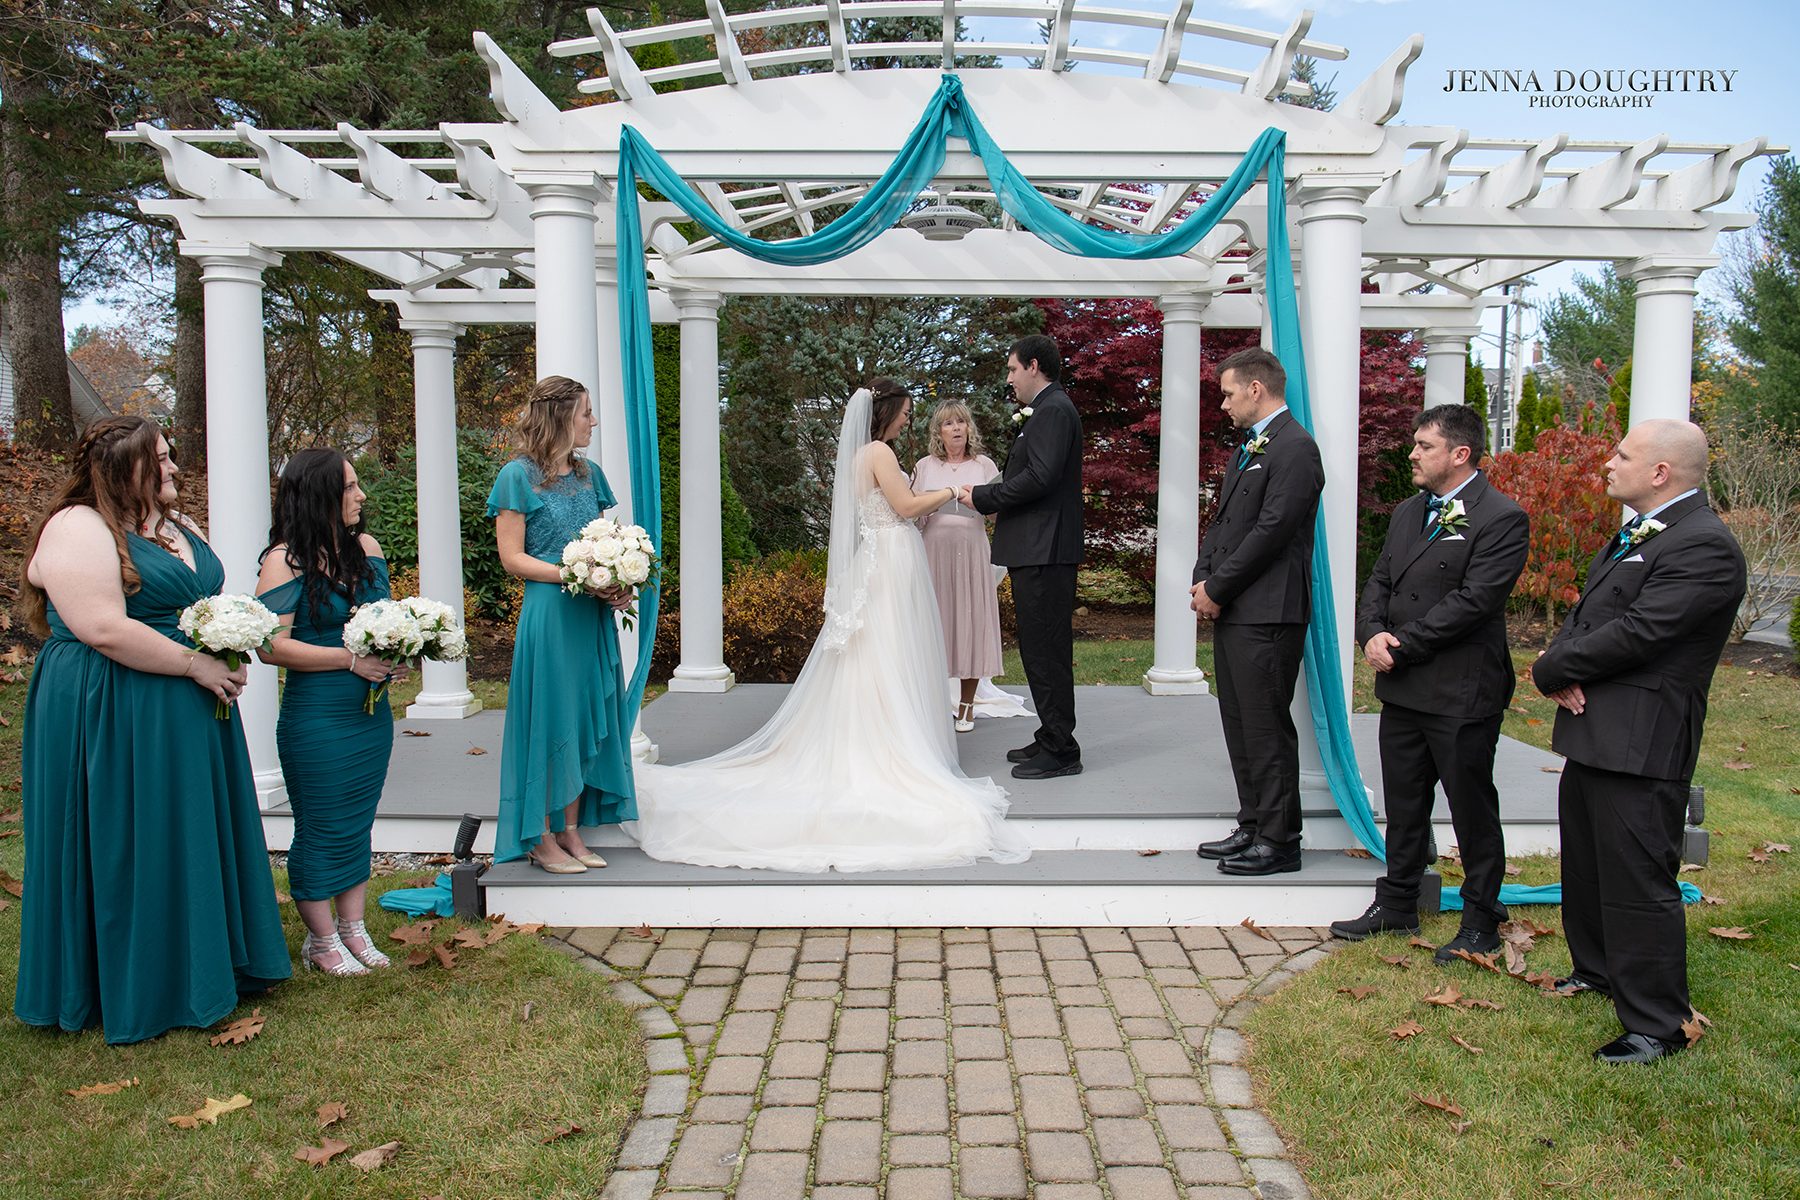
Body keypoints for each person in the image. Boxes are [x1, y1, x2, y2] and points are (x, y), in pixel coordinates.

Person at [628, 379, 1029, 873]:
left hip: (881, 561)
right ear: (885, 412)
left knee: (878, 655)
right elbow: (904, 508)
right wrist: (950, 490)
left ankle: (881, 735)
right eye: (904, 412)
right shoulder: (879, 452)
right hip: (889, 563)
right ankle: (887, 747)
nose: (908, 420)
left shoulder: (865, 453)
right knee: (886, 653)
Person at [14, 416, 290, 1043]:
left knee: (182, 827)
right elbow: (103, 628)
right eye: (158, 459)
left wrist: (229, 638)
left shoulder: (171, 524)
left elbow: (201, 600)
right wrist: (196, 662)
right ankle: (137, 983)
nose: (171, 468)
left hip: (183, 701)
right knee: (124, 832)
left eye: (170, 456)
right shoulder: (78, 527)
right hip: (108, 701)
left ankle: (205, 965)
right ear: (118, 468)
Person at [1531, 419, 1744, 1065]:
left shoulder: (1705, 545)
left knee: (1637, 879)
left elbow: (1643, 632)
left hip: (1643, 736)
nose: (1608, 463)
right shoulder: (1641, 534)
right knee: (1590, 863)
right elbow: (1591, 617)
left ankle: (1656, 1023)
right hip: (1597, 727)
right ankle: (1597, 970)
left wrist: (1553, 668)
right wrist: (1566, 658)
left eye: (1623, 455)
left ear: (1660, 473)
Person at [1332, 404, 1530, 958]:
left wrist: (1401, 644)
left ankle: (1481, 921)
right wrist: (1369, 631)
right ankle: (1397, 903)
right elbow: (1380, 579)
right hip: (1403, 688)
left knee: (1471, 809)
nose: (1413, 454)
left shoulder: (1502, 517)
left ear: (1459, 454)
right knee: (1405, 801)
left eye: (1424, 446)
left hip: (1461, 690)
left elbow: (1475, 602)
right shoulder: (1407, 512)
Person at [255, 449, 406, 976]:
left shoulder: (366, 547)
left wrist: (400, 652)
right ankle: (321, 941)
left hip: (370, 716)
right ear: (318, 494)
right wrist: (351, 660)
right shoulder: (284, 560)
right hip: (316, 716)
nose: (361, 497)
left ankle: (353, 929)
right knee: (321, 823)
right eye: (349, 487)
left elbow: (385, 619)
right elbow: (270, 647)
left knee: (357, 821)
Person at [489, 375, 638, 873]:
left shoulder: (590, 474)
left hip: (590, 614)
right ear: (559, 418)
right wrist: (578, 575)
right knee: (551, 717)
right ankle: (540, 835)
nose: (593, 422)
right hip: (551, 615)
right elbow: (512, 559)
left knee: (583, 715)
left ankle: (572, 830)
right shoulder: (517, 475)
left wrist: (617, 582)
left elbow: (605, 540)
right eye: (585, 413)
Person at [1190, 347, 1325, 877]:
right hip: (1236, 605)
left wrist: (1219, 587)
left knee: (1266, 726)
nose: (1222, 404)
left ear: (1254, 388)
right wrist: (1204, 577)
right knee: (1239, 721)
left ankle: (1280, 840)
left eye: (1226, 393)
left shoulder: (1297, 448)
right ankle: (1253, 823)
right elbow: (1226, 523)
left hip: (1269, 610)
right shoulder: (1250, 446)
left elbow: (1273, 531)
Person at [963, 335, 1086, 780]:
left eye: (1013, 369)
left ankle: (1062, 749)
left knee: (1047, 649)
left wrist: (982, 495)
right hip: (1039, 547)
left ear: (1034, 366)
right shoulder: (1049, 409)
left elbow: (1040, 477)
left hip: (1045, 549)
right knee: (1039, 648)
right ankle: (1052, 732)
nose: (1009, 378)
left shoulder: (1053, 409)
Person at [913, 400, 1003, 732]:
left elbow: (997, 512)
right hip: (934, 553)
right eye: (948, 423)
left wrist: (979, 499)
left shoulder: (983, 465)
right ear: (938, 430)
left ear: (969, 428)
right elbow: (913, 512)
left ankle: (967, 706)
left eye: (961, 422)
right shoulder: (924, 466)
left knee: (970, 624)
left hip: (972, 553)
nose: (956, 428)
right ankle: (933, 705)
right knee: (933, 627)